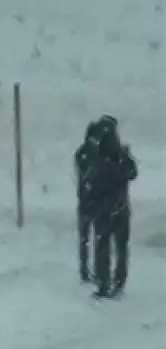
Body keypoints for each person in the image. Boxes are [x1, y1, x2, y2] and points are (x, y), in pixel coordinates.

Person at [85, 116, 137, 299]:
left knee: (103, 247)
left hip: (105, 210)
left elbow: (90, 182)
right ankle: (117, 281)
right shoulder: (119, 156)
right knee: (118, 247)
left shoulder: (98, 157)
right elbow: (132, 173)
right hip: (119, 208)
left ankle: (105, 283)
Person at [74, 119, 100, 283]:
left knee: (85, 238)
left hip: (84, 200)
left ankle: (85, 269)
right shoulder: (96, 153)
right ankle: (94, 270)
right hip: (94, 201)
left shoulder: (81, 152)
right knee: (96, 237)